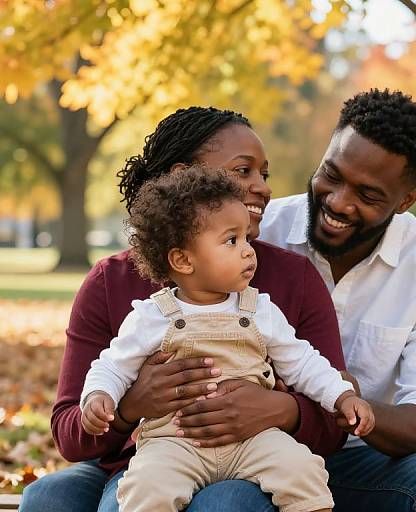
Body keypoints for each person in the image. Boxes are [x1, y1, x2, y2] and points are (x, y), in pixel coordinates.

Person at [20, 107, 350, 512]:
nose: (262, 187)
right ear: (182, 179)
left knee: (225, 505)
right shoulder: (116, 284)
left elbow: (329, 409)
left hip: (258, 458)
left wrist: (283, 410)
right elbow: (72, 434)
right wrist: (128, 407)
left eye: (264, 174)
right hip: (153, 456)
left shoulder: (291, 279)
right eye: (243, 171)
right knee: (48, 497)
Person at [255, 89, 416, 511]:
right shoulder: (256, 232)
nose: (338, 202)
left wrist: (348, 403)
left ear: (406, 199)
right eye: (332, 174)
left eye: (367, 195)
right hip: (251, 459)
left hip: (360, 465)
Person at [80, 166, 374, 512]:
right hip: (175, 443)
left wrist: (341, 396)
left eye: (247, 238)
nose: (249, 251)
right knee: (146, 486)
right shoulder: (152, 316)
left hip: (254, 439)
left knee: (301, 470)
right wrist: (99, 396)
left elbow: (302, 361)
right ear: (183, 260)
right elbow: (113, 366)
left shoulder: (259, 309)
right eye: (232, 240)